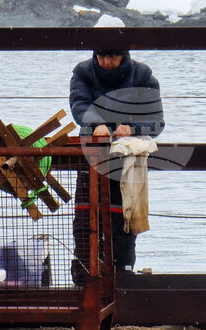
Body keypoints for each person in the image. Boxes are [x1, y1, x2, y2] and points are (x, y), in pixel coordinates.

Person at [69, 49, 164, 279]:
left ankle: (122, 276)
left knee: (124, 220)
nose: (106, 62)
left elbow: (157, 121)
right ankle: (84, 278)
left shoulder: (143, 76)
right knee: (86, 218)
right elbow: (79, 105)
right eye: (101, 56)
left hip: (127, 162)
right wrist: (96, 123)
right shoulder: (82, 72)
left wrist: (132, 128)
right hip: (91, 158)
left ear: (124, 55)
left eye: (112, 56)